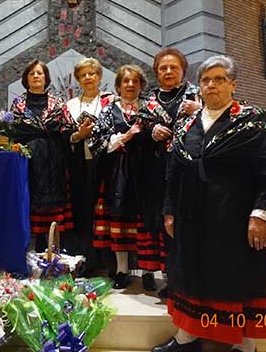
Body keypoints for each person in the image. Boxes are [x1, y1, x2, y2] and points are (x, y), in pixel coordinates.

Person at [151, 55, 266, 352]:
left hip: (235, 218)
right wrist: (169, 211)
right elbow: (173, 173)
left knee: (235, 279)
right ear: (198, 86)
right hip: (190, 218)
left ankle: (244, 347)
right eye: (206, 80)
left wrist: (261, 213)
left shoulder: (252, 120)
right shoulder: (187, 124)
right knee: (189, 275)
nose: (211, 85)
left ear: (233, 84)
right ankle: (187, 337)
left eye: (219, 79)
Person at [142, 48, 201, 295]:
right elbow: (139, 128)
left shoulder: (196, 95)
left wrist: (197, 111)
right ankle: (168, 276)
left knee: (184, 221)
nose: (168, 72)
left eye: (173, 68)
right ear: (156, 72)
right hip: (156, 170)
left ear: (183, 71)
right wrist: (151, 130)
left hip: (188, 170)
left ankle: (185, 279)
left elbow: (213, 123)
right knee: (161, 222)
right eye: (163, 68)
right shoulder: (149, 99)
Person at [89, 65, 149, 289]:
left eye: (135, 81)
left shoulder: (150, 107)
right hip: (117, 173)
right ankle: (122, 270)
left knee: (144, 221)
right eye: (125, 81)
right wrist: (124, 137)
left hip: (146, 172)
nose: (130, 85)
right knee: (120, 222)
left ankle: (147, 270)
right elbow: (97, 143)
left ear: (141, 85)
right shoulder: (108, 111)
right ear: (118, 86)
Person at [11, 60, 74, 245]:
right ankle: (33, 249)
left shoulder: (58, 103)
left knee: (54, 209)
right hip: (28, 161)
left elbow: (69, 128)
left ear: (46, 78)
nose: (36, 76)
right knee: (31, 204)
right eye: (32, 73)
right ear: (26, 79)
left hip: (54, 162)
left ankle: (54, 249)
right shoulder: (18, 104)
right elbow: (13, 131)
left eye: (39, 73)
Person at [66, 58, 114, 274]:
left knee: (104, 211)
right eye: (83, 74)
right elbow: (63, 136)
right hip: (78, 164)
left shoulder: (110, 102)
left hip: (104, 163)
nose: (88, 78)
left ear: (99, 77)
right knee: (82, 211)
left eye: (92, 74)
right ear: (78, 79)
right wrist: (78, 135)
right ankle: (85, 259)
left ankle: (111, 263)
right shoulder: (70, 105)